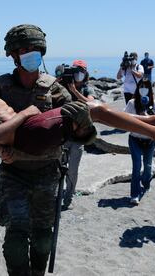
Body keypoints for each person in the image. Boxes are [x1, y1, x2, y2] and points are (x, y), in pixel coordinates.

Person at [0, 28, 155, 275]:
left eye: (36, 50)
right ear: (14, 56)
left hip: (47, 170)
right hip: (14, 172)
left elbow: (81, 133)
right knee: (16, 240)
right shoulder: (0, 87)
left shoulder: (54, 88)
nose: (32, 55)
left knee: (42, 239)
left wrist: (81, 128)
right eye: (25, 50)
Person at [58, 59, 95, 210]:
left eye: (82, 70)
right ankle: (57, 194)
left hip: (78, 137)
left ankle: (69, 197)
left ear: (86, 73)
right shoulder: (61, 87)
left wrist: (74, 91)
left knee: (73, 170)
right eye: (76, 70)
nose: (79, 73)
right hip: (61, 135)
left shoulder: (87, 89)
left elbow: (90, 104)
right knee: (57, 167)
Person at [124, 78, 155, 205]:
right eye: (141, 86)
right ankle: (135, 194)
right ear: (138, 88)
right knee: (137, 166)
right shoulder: (132, 103)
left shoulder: (154, 103)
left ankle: (146, 184)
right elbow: (123, 118)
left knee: (148, 167)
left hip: (149, 140)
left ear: (150, 89)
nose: (143, 89)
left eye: (146, 87)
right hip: (135, 139)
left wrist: (149, 115)